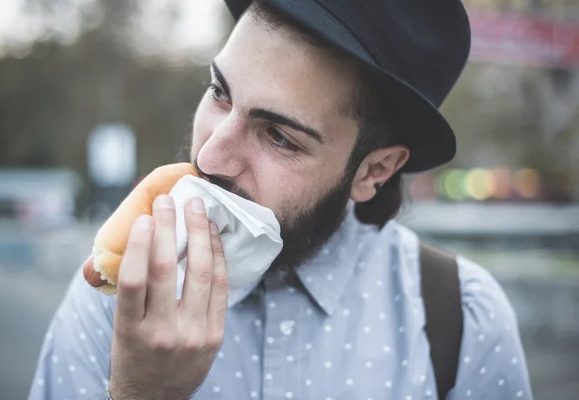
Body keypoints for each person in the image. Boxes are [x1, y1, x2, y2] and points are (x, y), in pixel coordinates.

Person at [29, 1, 534, 399]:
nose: (211, 153)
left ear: (374, 170)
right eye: (219, 92)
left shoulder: (463, 320)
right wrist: (140, 395)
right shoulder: (118, 293)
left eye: (279, 137)